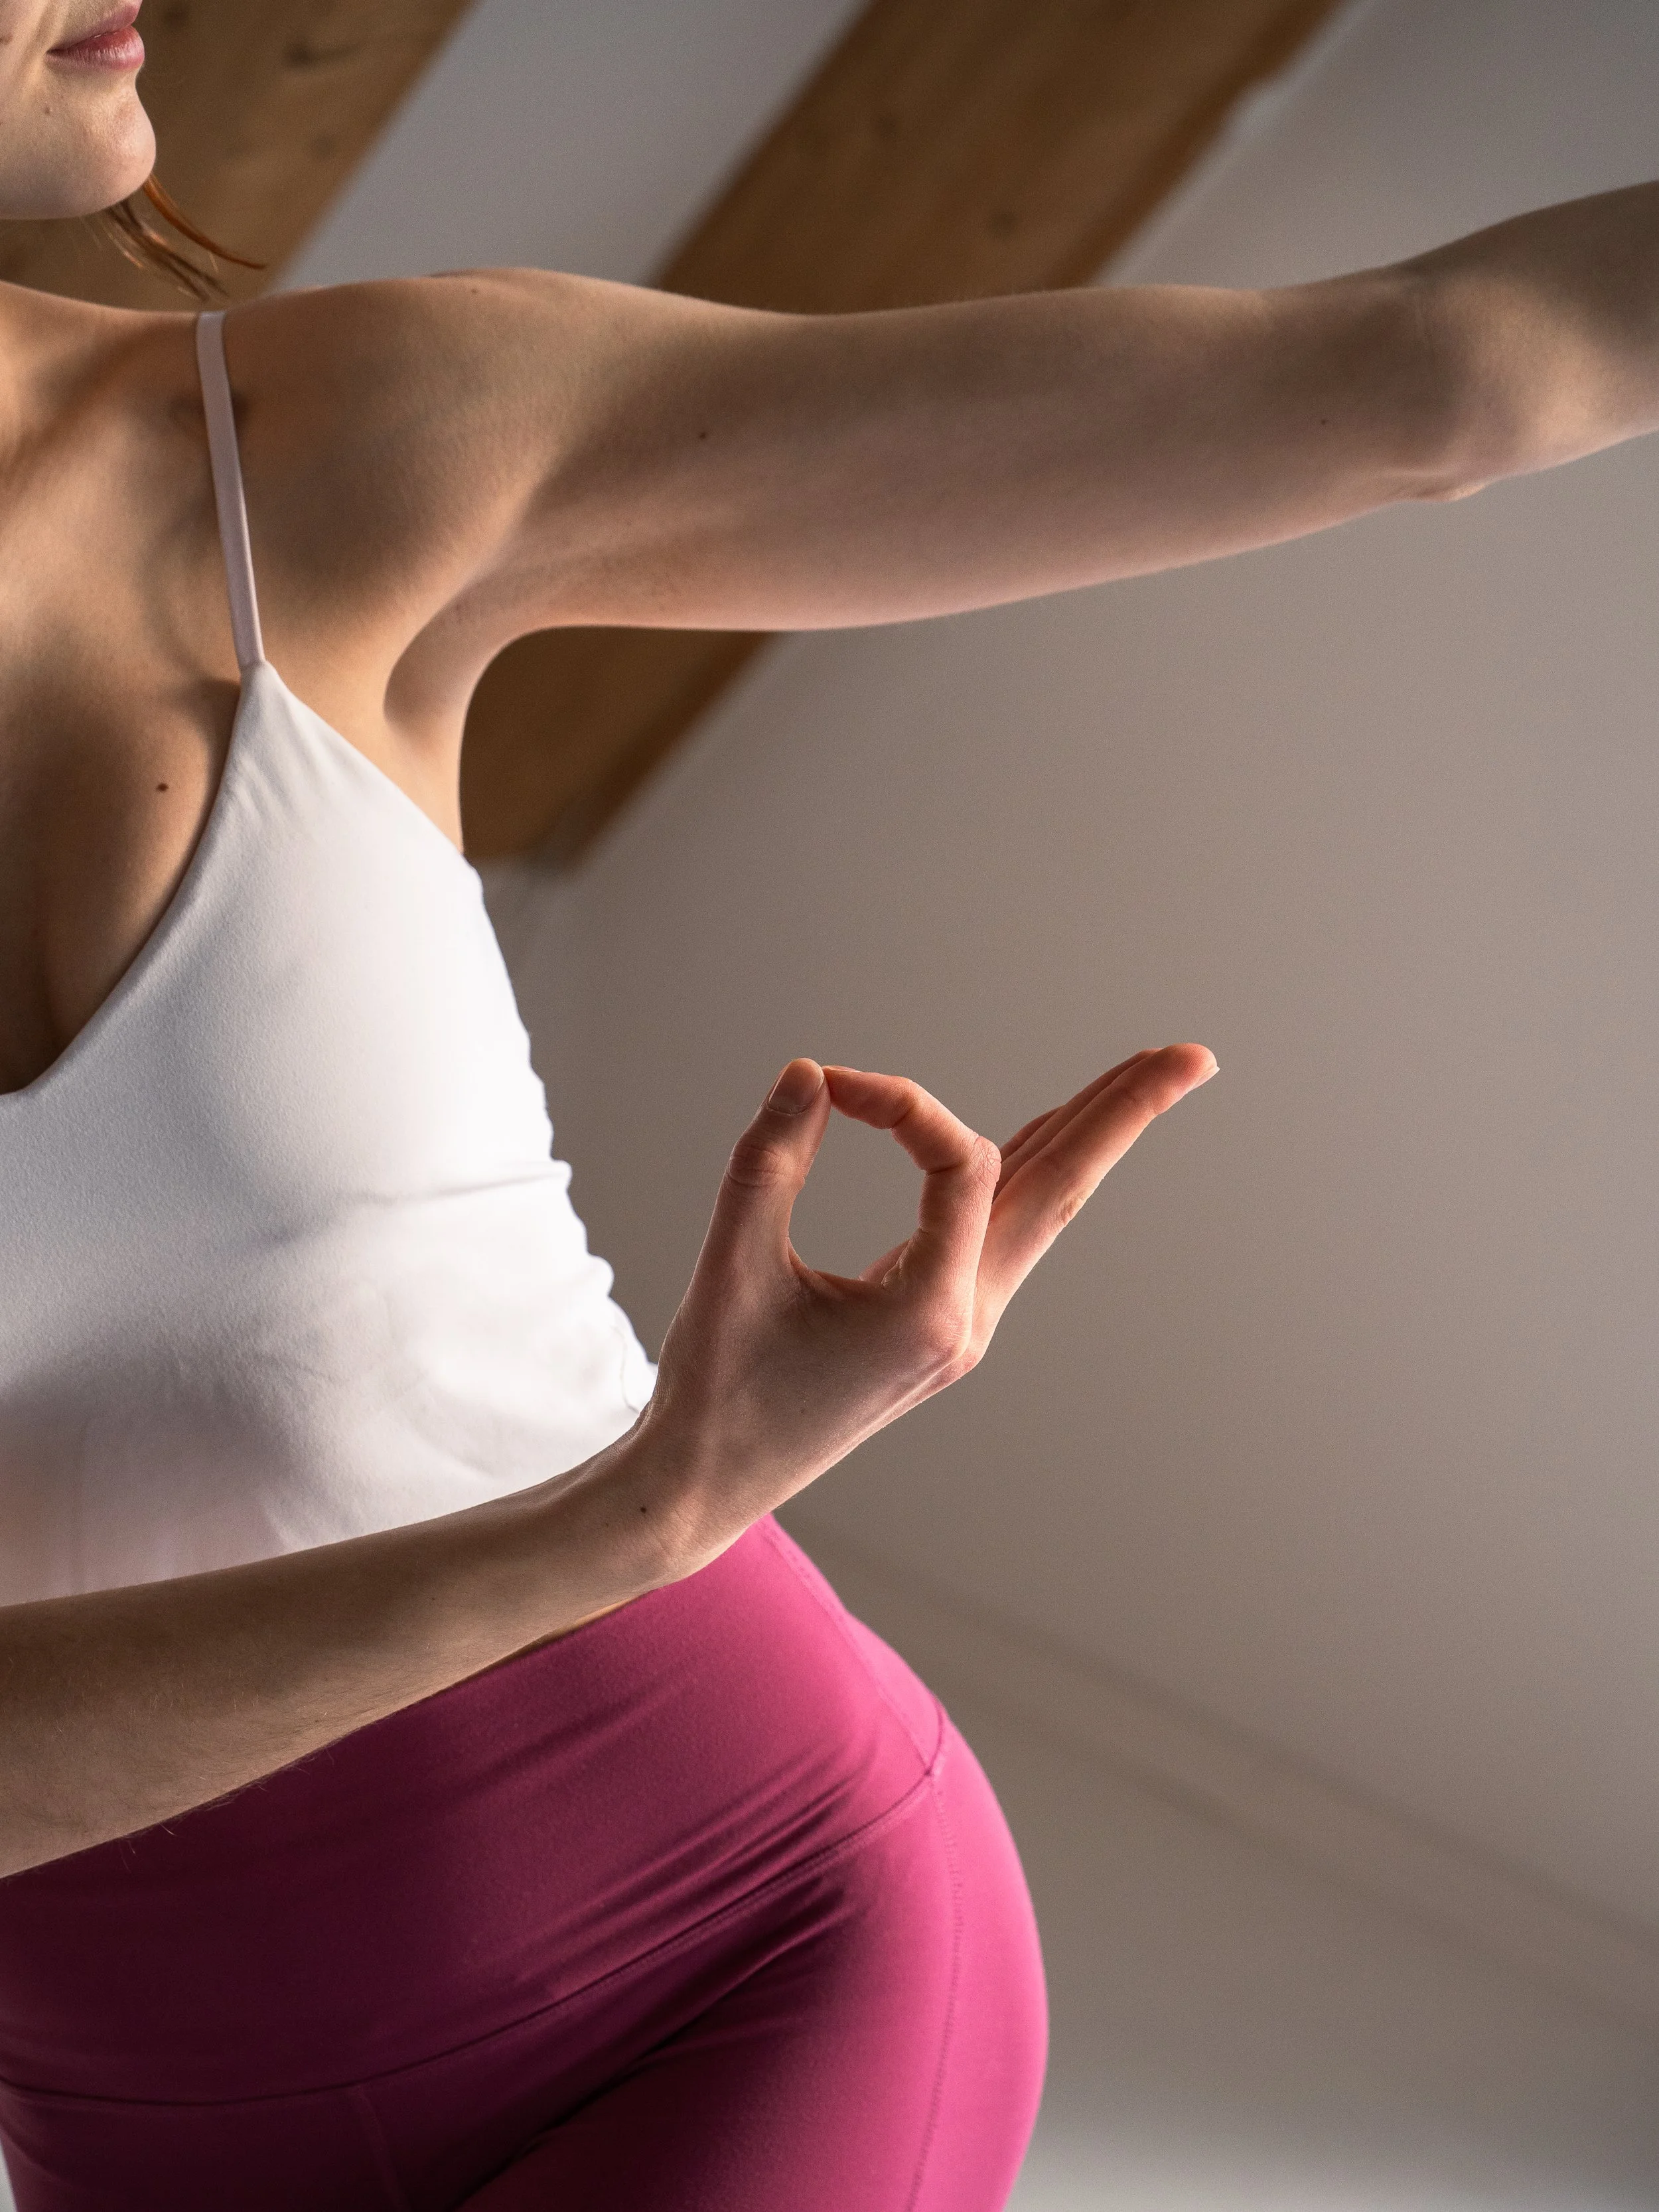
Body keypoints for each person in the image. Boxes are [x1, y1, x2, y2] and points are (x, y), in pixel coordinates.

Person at [0, 5, 1656, 2207]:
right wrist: (636, 1512)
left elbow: (1431, 375)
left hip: (748, 1948)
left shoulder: (324, 446)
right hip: (138, 2116)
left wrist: (660, 1522)